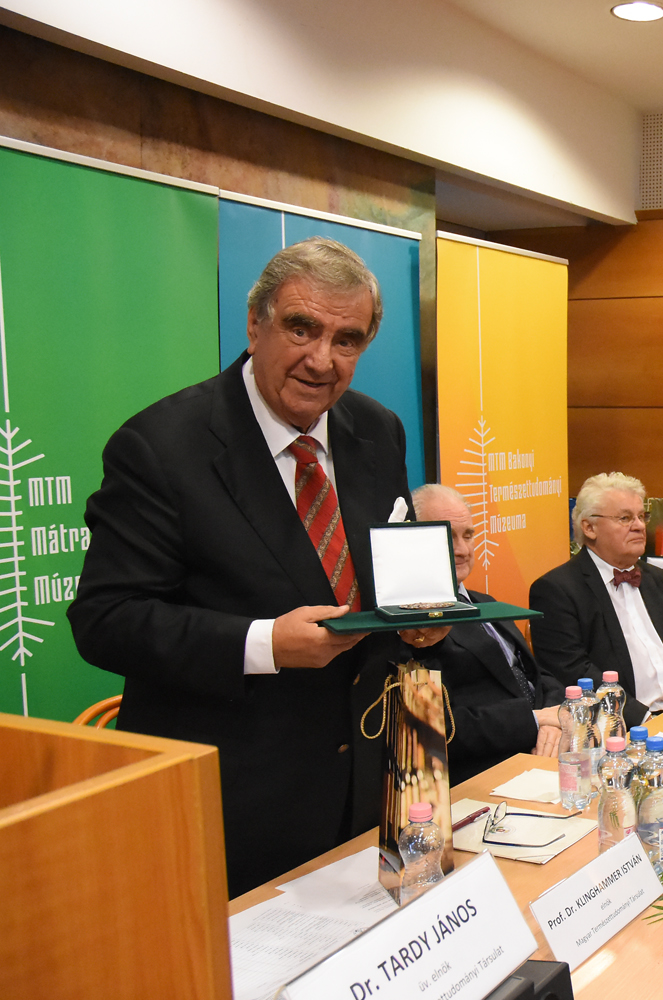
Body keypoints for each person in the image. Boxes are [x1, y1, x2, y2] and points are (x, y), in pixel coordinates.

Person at [68, 238, 413, 897]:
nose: (322, 360)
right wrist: (265, 644)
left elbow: (385, 575)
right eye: (301, 328)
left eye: (346, 340)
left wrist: (421, 619)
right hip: (235, 810)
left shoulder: (377, 429)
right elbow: (105, 621)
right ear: (255, 325)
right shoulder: (160, 446)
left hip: (369, 793)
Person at [395, 484, 564, 784]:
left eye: (468, 535)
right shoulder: (411, 628)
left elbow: (534, 677)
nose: (462, 550)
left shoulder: (485, 603)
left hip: (543, 756)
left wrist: (554, 718)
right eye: (447, 536)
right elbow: (435, 726)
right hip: (479, 778)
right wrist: (534, 721)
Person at [529, 472, 663, 725]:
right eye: (625, 518)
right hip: (619, 727)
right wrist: (644, 720)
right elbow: (573, 671)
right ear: (589, 528)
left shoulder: (657, 579)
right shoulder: (556, 590)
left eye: (641, 516)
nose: (639, 526)